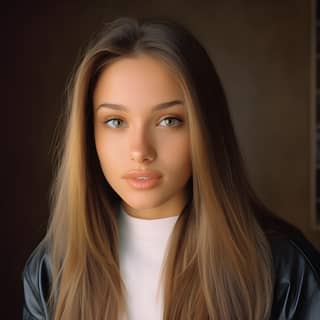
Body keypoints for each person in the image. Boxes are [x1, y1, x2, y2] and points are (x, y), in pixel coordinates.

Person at [22, 17, 320, 320]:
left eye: (168, 121)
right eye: (115, 121)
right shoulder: (52, 269)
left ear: (206, 128)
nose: (140, 151)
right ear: (89, 135)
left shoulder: (285, 269)